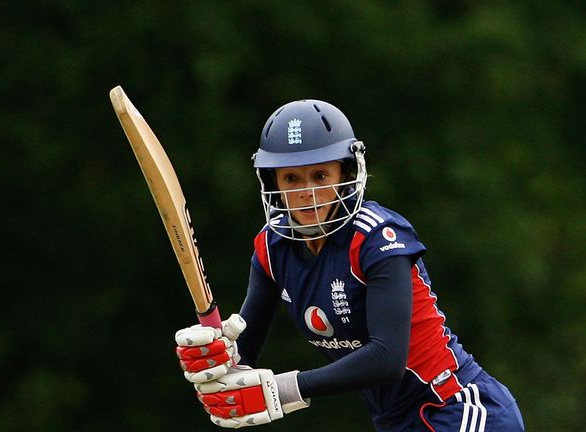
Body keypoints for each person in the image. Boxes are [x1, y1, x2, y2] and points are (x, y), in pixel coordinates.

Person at [174, 99, 525, 431]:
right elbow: (244, 351)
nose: (307, 194)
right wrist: (216, 360)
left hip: (456, 408)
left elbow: (387, 358)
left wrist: (284, 388)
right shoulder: (271, 248)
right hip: (396, 422)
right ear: (274, 184)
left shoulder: (376, 238)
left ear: (346, 173)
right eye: (292, 179)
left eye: (320, 176)